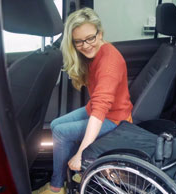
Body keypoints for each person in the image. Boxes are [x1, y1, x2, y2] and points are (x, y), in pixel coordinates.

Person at [34, 7, 133, 194]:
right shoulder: (93, 55)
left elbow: (101, 109)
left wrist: (81, 154)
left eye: (90, 38)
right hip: (97, 109)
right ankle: (71, 171)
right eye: (78, 42)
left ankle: (56, 187)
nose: (86, 45)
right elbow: (96, 104)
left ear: (100, 33)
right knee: (56, 124)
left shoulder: (109, 61)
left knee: (62, 133)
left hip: (115, 118)